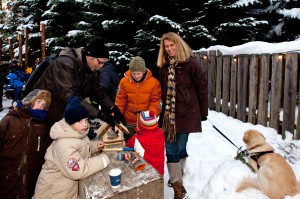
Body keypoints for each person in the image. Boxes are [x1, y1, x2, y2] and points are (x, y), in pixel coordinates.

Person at [157, 32, 208, 199]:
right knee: (171, 150)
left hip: (187, 113)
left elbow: (201, 88)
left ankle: (178, 174)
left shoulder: (191, 64)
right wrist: (161, 112)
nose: (170, 49)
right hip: (170, 116)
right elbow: (164, 92)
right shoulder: (164, 66)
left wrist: (203, 112)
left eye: (172, 45)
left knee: (180, 148)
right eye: (167, 46)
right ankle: (178, 186)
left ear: (178, 45)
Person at [31, 37, 124, 128]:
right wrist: (98, 114)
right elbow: (70, 96)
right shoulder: (65, 64)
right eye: (100, 62)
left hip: (61, 112)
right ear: (90, 57)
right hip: (45, 111)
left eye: (103, 63)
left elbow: (97, 91)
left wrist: (113, 108)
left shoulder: (89, 69)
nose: (101, 66)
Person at [34, 96, 110, 199]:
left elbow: (81, 149)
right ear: (70, 122)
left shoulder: (76, 133)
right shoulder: (63, 145)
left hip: (64, 187)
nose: (85, 124)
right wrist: (103, 160)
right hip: (54, 191)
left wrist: (95, 146)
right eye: (80, 121)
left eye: (86, 120)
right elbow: (78, 170)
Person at [0, 89, 52, 199]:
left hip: (29, 184)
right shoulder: (10, 119)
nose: (41, 106)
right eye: (39, 101)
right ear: (31, 101)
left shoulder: (43, 127)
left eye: (44, 104)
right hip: (7, 180)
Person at [115, 56, 162, 140]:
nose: (136, 76)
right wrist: (117, 114)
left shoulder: (154, 83)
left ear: (143, 71)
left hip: (146, 122)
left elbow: (156, 102)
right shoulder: (124, 81)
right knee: (131, 143)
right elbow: (120, 100)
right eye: (133, 73)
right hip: (129, 120)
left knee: (145, 145)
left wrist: (149, 116)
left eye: (138, 73)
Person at [126, 110, 165, 175]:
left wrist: (137, 133)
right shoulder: (161, 133)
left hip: (149, 172)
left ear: (141, 125)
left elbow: (128, 144)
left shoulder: (136, 140)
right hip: (162, 170)